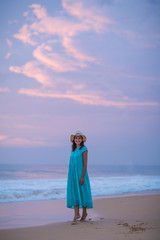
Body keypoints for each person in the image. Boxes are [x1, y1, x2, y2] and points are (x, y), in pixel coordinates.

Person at [66, 131, 93, 222]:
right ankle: (76, 214)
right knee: (74, 192)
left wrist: (82, 176)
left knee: (82, 192)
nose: (78, 139)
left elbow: (85, 164)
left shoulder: (84, 149)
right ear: (74, 140)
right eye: (76, 138)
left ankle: (84, 213)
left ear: (82, 140)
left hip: (81, 174)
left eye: (79, 138)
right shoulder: (73, 150)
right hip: (72, 175)